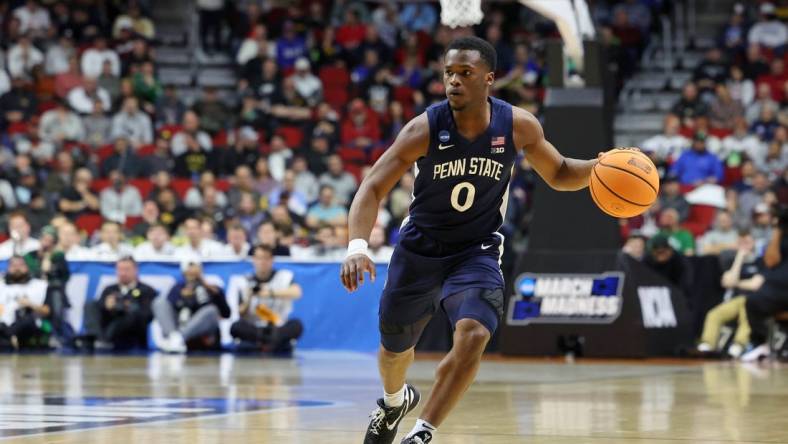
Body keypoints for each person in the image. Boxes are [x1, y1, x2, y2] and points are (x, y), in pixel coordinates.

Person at [340, 37, 602, 444]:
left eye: (465, 74)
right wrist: (357, 247)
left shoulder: (518, 126)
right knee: (394, 350)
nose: (454, 82)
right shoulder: (424, 128)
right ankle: (394, 402)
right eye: (449, 74)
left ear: (489, 80)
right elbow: (372, 187)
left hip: (475, 250)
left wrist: (601, 167)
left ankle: (423, 433)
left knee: (475, 334)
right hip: (419, 247)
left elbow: (562, 172)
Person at [697, 231, 763, 359]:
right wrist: (739, 257)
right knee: (714, 314)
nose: (744, 245)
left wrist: (736, 283)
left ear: (753, 243)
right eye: (741, 243)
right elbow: (727, 282)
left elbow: (755, 285)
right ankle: (708, 344)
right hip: (735, 300)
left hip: (753, 299)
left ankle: (739, 344)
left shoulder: (760, 261)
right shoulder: (731, 260)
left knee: (746, 313)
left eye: (747, 242)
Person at [230, 246, 303, 351]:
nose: (262, 262)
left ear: (272, 260)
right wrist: (249, 298)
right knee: (236, 327)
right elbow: (240, 312)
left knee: (296, 325)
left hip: (277, 326)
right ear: (254, 260)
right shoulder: (243, 280)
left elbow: (297, 292)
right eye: (259, 258)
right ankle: (269, 342)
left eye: (266, 258)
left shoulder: (284, 276)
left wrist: (270, 293)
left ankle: (266, 342)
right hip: (255, 328)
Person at [152, 261, 230, 353]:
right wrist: (182, 298)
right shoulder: (177, 288)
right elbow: (169, 312)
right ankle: (174, 337)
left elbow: (226, 313)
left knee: (211, 310)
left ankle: (179, 338)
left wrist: (205, 288)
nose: (192, 273)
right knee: (159, 302)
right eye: (189, 269)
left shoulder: (211, 288)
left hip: (202, 332)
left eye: (195, 269)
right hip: (180, 325)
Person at [742, 208, 788, 362]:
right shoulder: (782, 235)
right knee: (753, 302)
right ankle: (760, 344)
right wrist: (778, 229)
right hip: (779, 289)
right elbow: (770, 261)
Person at [82, 257, 157, 350]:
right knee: (90, 304)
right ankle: (96, 338)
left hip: (130, 332)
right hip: (108, 325)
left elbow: (147, 315)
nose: (123, 273)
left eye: (126, 270)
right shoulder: (109, 289)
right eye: (120, 270)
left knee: (129, 314)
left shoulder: (146, 290)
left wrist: (126, 306)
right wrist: (106, 306)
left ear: (135, 270)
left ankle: (105, 340)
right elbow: (99, 309)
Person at [0, 256, 51, 350]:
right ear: (8, 268)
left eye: (20, 265)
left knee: (27, 317)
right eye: (13, 265)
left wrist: (30, 304)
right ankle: (9, 336)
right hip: (3, 326)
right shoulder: (2, 285)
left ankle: (10, 336)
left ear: (27, 267)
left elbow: (47, 311)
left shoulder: (39, 286)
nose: (17, 268)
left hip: (28, 327)